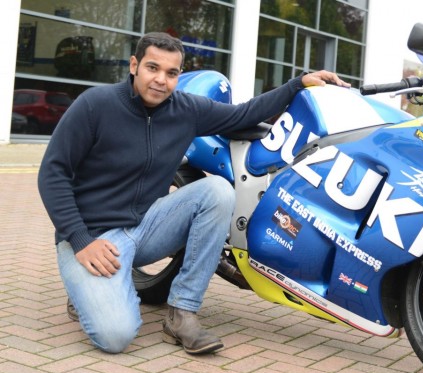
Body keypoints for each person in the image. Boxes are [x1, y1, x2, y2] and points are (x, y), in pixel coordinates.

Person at [38, 32, 350, 355]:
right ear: (134, 66)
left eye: (171, 73)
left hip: (145, 228)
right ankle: (86, 294)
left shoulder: (185, 109)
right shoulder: (95, 105)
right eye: (152, 68)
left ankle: (182, 311)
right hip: (93, 237)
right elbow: (52, 173)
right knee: (116, 336)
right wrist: (79, 239)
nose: (161, 80)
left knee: (217, 191)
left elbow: (244, 114)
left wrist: (297, 85)